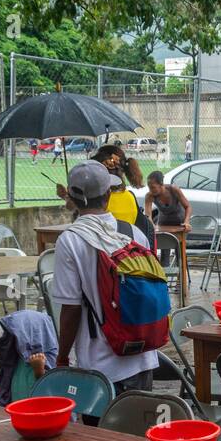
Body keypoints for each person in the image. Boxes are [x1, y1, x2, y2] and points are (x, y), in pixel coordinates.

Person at [50, 162, 159, 394]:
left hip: (100, 365)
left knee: (98, 431)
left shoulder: (70, 241)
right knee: (135, 429)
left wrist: (62, 357)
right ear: (108, 194)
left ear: (71, 196)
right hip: (143, 357)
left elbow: (71, 310)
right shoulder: (134, 233)